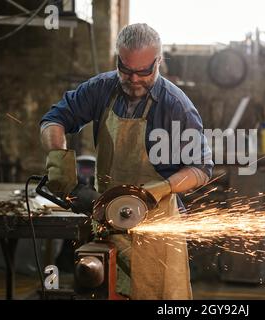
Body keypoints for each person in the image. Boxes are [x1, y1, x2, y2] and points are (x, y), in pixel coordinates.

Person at [40, 23, 213, 299]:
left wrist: (161, 188)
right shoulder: (101, 89)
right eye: (126, 69)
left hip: (156, 225)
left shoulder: (175, 105)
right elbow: (54, 120)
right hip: (106, 217)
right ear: (117, 59)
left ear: (158, 62)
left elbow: (201, 169)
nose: (133, 79)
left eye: (143, 71)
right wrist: (57, 158)